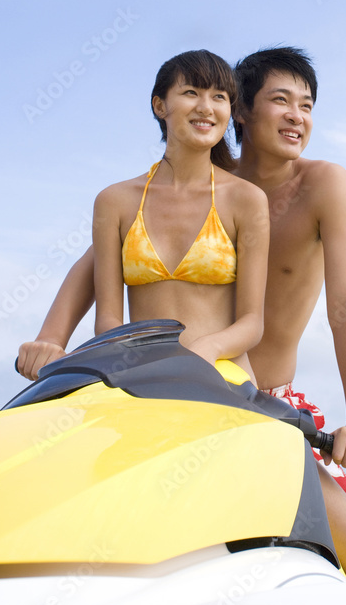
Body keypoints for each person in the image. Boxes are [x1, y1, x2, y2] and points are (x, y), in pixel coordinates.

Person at [18, 47, 346, 587]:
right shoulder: (201, 177)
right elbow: (105, 254)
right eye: (280, 101)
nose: (296, 116)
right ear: (243, 112)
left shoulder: (320, 184)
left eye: (307, 105)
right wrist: (52, 337)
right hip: (162, 393)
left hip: (262, 401)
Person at [91, 49, 268, 376]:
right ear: (160, 105)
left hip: (224, 379)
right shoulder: (114, 201)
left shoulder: (247, 200)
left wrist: (208, 348)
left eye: (219, 97)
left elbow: (251, 323)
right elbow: (108, 320)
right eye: (191, 92)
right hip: (141, 378)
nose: (206, 107)